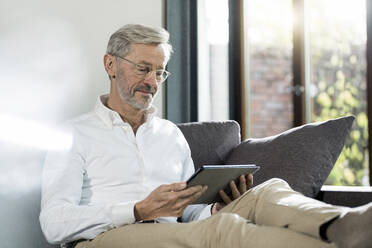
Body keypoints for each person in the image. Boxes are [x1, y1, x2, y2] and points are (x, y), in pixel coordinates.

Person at [39, 24, 372, 248]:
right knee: (224, 231)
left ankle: (346, 224)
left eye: (159, 72)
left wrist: (215, 206)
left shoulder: (169, 135)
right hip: (106, 239)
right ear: (110, 64)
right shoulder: (73, 133)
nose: (153, 82)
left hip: (177, 232)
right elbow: (53, 224)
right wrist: (138, 210)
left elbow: (190, 213)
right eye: (143, 69)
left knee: (265, 193)